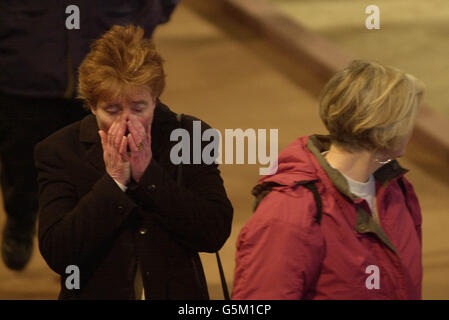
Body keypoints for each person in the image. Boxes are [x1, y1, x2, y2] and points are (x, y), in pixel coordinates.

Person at [35, 24, 233, 299]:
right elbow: (59, 252)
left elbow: (213, 233)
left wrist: (149, 177)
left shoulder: (189, 137)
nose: (126, 122)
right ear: (92, 106)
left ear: (155, 100)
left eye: (139, 108)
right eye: (112, 109)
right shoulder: (60, 150)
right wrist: (115, 181)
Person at [0, 0, 180, 271]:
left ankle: (83, 258)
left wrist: (142, 23)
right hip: (24, 66)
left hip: (107, 64)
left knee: (99, 166)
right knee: (21, 162)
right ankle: (21, 216)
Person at [232, 60, 424, 300]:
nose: (413, 128)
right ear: (385, 125)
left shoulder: (398, 191)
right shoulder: (289, 211)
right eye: (409, 117)